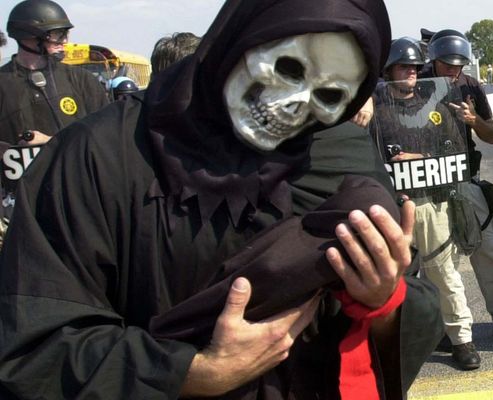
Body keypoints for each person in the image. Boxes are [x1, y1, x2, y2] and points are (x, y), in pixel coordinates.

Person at [0, 0, 438, 398]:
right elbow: (35, 339)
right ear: (240, 38)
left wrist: (382, 300)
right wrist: (192, 373)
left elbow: (405, 299)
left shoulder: (342, 154)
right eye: (289, 69)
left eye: (328, 95)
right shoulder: (100, 154)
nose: (296, 103)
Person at [417, 29, 493, 370]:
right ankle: (447, 329)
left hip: (467, 178)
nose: (453, 71)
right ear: (433, 61)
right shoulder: (416, 86)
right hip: (430, 186)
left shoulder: (470, 86)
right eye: (447, 65)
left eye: (458, 65)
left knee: (488, 251)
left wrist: (472, 120)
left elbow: (492, 134)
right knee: (442, 266)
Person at [0, 0, 109, 147]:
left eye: (66, 34)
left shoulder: (82, 79)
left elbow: (105, 134)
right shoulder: (3, 82)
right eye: (57, 34)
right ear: (29, 36)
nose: (64, 41)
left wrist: (50, 142)